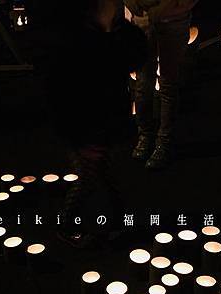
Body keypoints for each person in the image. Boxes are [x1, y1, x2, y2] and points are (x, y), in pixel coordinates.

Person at [42, 0, 147, 248]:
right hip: (87, 131)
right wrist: (80, 140)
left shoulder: (103, 39)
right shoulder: (78, 46)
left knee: (107, 177)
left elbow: (134, 57)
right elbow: (62, 99)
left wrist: (121, 29)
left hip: (102, 127)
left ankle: (117, 223)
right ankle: (67, 226)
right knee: (88, 179)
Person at [126, 0, 198, 169]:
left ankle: (164, 142)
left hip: (174, 22)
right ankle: (145, 135)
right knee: (143, 84)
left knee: (168, 83)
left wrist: (163, 9)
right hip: (143, 23)